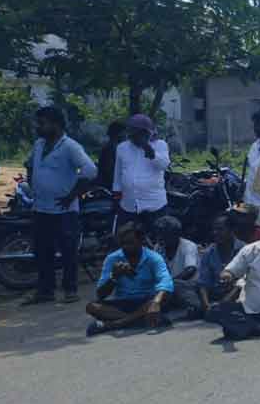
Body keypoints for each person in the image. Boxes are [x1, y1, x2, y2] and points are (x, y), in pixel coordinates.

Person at [26, 106, 97, 305]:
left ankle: (70, 290)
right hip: (40, 208)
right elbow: (29, 164)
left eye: (42, 123)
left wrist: (72, 196)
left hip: (64, 210)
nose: (38, 127)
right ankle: (45, 291)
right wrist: (33, 185)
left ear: (55, 125)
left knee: (68, 252)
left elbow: (90, 170)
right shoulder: (39, 144)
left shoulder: (70, 147)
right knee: (42, 252)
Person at [86, 223, 173, 336]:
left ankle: (114, 324)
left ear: (141, 241)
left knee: (157, 301)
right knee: (92, 306)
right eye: (123, 243)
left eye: (130, 243)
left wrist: (156, 302)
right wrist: (114, 277)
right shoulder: (112, 258)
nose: (126, 247)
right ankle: (139, 321)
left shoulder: (153, 257)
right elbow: (101, 294)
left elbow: (166, 283)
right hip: (122, 303)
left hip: (145, 301)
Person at [113, 113, 170, 231]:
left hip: (154, 206)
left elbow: (164, 165)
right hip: (128, 206)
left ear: (148, 133)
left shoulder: (160, 145)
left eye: (138, 133)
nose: (134, 137)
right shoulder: (122, 147)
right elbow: (118, 173)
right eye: (132, 133)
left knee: (156, 238)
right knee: (128, 239)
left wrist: (149, 149)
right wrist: (117, 192)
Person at [152, 215, 200, 317]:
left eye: (164, 234)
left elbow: (190, 270)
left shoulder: (188, 246)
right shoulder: (158, 247)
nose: (160, 238)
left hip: (188, 286)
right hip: (168, 288)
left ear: (175, 234)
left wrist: (169, 283)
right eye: (159, 234)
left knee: (176, 285)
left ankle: (195, 307)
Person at [198, 214, 246, 311]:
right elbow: (203, 283)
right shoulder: (209, 252)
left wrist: (223, 303)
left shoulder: (245, 250)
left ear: (232, 230)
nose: (215, 233)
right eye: (214, 229)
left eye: (220, 229)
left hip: (237, 295)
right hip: (215, 294)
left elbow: (243, 283)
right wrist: (206, 305)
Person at [96, 120, 125, 190]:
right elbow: (110, 171)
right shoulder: (111, 148)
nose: (125, 136)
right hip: (110, 187)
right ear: (119, 134)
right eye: (124, 133)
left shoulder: (112, 147)